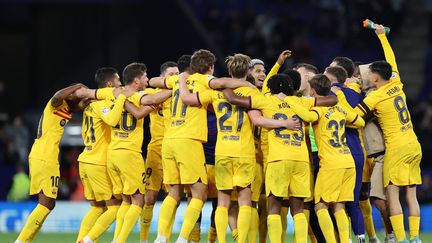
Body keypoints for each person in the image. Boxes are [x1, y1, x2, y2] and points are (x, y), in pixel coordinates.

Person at [148, 49, 254, 243]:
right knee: (200, 193)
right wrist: (246, 83)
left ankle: (161, 237)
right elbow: (222, 83)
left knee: (173, 192)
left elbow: (152, 81)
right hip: (189, 141)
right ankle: (182, 238)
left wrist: (179, 79)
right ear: (210, 67)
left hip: (169, 140)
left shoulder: (178, 80)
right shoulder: (204, 81)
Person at [77, 62, 172, 243]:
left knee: (125, 202)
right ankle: (111, 240)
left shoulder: (110, 97)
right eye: (145, 76)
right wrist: (175, 89)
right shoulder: (138, 95)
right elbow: (151, 100)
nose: (147, 79)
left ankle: (111, 239)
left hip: (112, 154)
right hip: (129, 154)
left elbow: (92, 95)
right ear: (137, 80)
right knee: (138, 201)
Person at [349, 24, 422, 243]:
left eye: (370, 74)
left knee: (392, 194)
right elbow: (391, 60)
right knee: (411, 194)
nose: (368, 76)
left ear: (375, 79)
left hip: (397, 148)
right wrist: (382, 37)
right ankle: (416, 238)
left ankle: (400, 239)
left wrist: (336, 102)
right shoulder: (397, 82)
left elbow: (351, 115)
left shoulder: (375, 97)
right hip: (413, 144)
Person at [286, 74, 365, 243]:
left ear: (313, 91)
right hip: (347, 160)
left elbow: (307, 118)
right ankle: (345, 240)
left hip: (331, 163)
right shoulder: (340, 108)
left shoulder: (319, 109)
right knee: (339, 205)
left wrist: (291, 101)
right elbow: (360, 122)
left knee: (320, 206)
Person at [15, 83, 87, 243]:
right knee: (46, 203)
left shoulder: (66, 109)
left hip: (46, 155)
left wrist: (93, 97)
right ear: (69, 94)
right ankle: (21, 241)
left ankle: (24, 240)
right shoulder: (55, 103)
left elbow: (81, 105)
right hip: (44, 155)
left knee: (48, 203)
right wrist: (78, 86)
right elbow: (57, 95)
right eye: (76, 95)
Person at [77, 67, 136, 243]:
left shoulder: (90, 104)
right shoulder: (99, 103)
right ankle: (87, 240)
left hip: (85, 160)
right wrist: (121, 99)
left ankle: (81, 240)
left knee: (97, 208)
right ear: (109, 84)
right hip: (97, 162)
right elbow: (111, 119)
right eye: (118, 81)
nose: (120, 84)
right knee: (115, 208)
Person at [326, 62, 367, 243]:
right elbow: (360, 120)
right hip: (355, 150)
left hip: (339, 152)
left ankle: (346, 239)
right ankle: (361, 238)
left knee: (331, 202)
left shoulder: (333, 95)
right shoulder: (355, 93)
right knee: (353, 200)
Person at [140, 61, 179, 243]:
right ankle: (144, 239)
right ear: (163, 77)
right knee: (149, 198)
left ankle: (164, 237)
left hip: (176, 149)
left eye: (177, 74)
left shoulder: (182, 95)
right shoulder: (153, 94)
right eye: (171, 74)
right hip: (156, 149)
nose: (175, 77)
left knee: (173, 196)